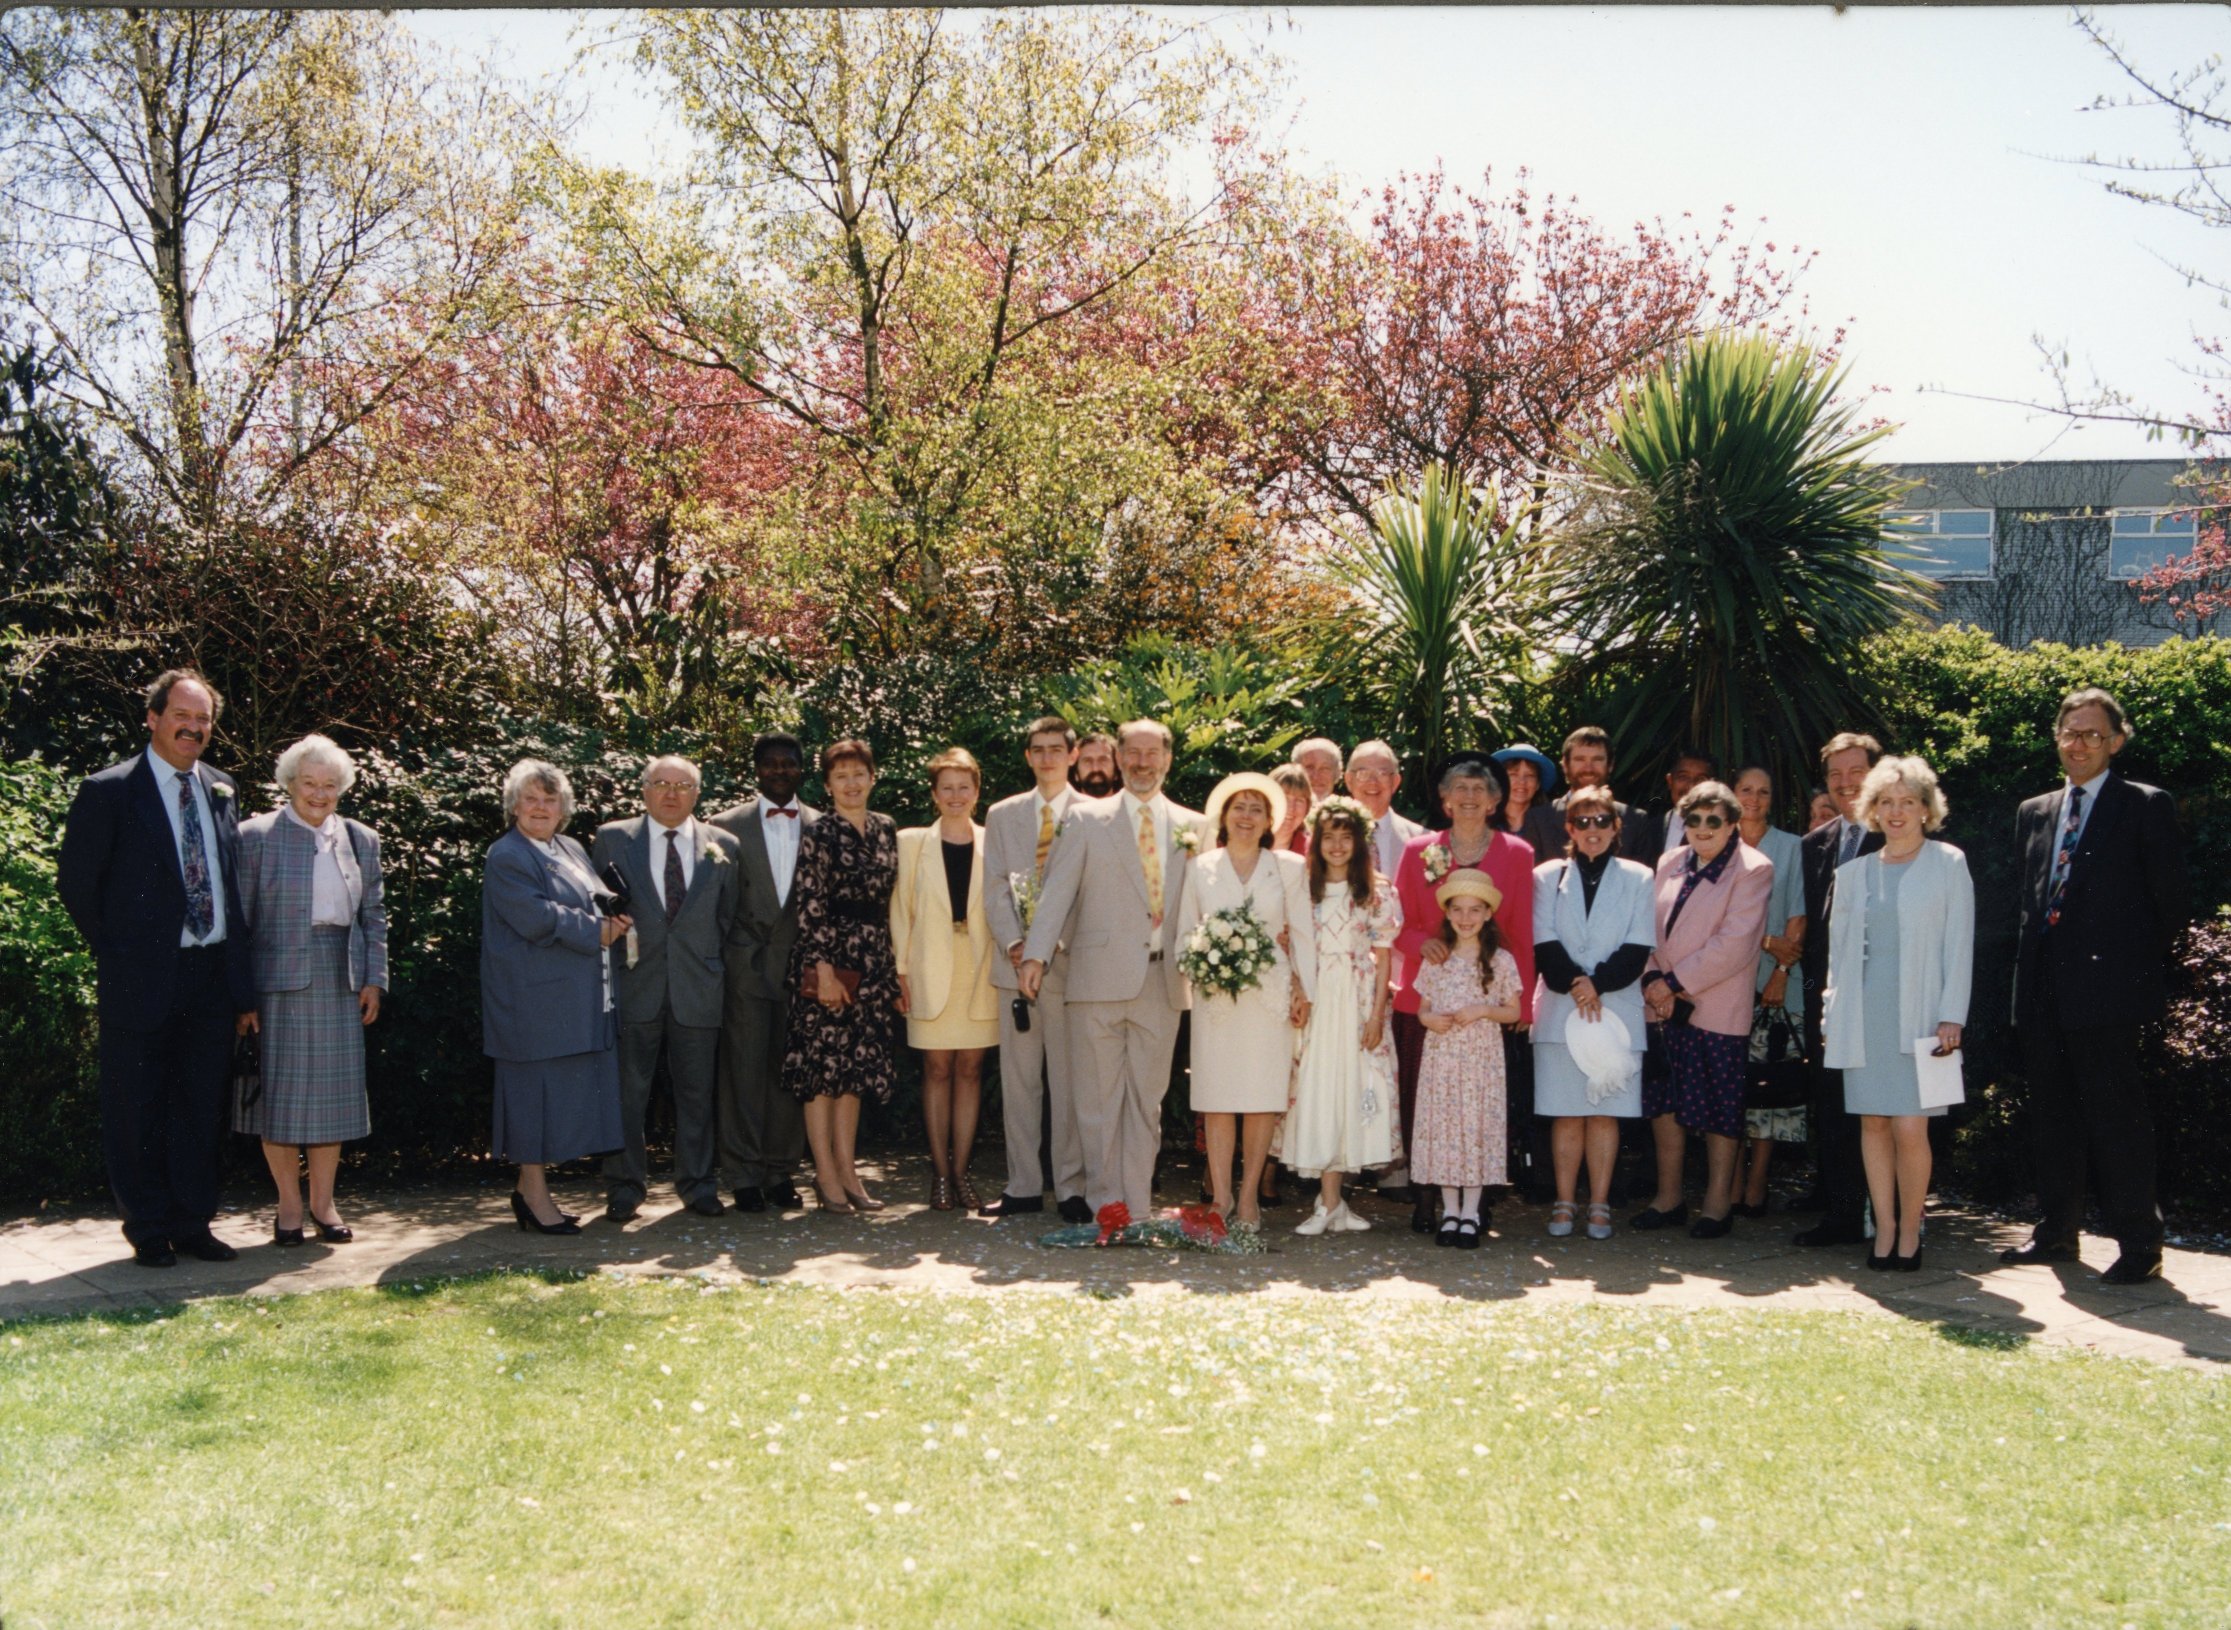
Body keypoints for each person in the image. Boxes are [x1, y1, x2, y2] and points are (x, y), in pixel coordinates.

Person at [58, 669, 256, 1267]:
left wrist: (240, 986)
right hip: (139, 979)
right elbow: (77, 886)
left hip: (211, 978)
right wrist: (124, 951)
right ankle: (146, 1227)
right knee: (135, 1105)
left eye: (204, 720)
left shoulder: (222, 788)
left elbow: (230, 889)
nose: (194, 728)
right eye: (182, 716)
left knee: (200, 1106)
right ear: (153, 717)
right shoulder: (110, 791)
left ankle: (192, 1222)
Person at [2000, 687, 2188, 1285]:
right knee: (2052, 1113)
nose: (2078, 744)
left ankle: (2139, 1242)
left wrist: (2128, 976)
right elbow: (2026, 904)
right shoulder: (2035, 811)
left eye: (2093, 734)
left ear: (2117, 741)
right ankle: (2057, 1231)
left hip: (2108, 993)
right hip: (2043, 991)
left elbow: (2169, 906)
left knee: (2117, 1117)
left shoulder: (2145, 806)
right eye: (2070, 733)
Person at [1019, 719, 1203, 1220]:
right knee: (1096, 1105)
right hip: (1095, 980)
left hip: (1162, 983)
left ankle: (1137, 1207)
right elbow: (1057, 890)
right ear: (1118, 758)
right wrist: (1036, 954)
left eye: (1153, 754)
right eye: (1133, 754)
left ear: (1167, 759)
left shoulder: (1197, 825)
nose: (1143, 763)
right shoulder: (1085, 819)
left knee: (1146, 1103)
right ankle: (1105, 1205)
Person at [233, 734, 388, 1247]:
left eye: (330, 785)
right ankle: (289, 1206)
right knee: (278, 1102)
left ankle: (324, 1204)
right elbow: (240, 923)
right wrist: (243, 998)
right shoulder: (254, 836)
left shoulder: (361, 839)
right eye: (308, 784)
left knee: (333, 1103)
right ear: (289, 784)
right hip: (276, 984)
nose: (319, 794)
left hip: (341, 978)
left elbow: (373, 916)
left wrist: (373, 979)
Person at [1823, 756, 1974, 1272]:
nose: (1896, 812)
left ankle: (1911, 1230)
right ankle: (1882, 1229)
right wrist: (1831, 1016)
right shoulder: (1852, 874)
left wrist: (1952, 1015)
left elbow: (1960, 945)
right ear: (1871, 809)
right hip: (1863, 1018)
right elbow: (1837, 957)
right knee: (1873, 1124)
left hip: (1924, 1020)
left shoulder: (1948, 863)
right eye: (1886, 802)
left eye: (1907, 802)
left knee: (1912, 1127)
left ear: (1926, 809)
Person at [481, 759, 629, 1235]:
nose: (540, 807)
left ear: (563, 808)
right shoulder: (505, 855)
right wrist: (597, 931)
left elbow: (593, 897)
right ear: (513, 806)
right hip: (530, 1004)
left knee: (559, 1099)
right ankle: (535, 1198)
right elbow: (536, 917)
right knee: (531, 1100)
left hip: (573, 999)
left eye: (550, 799)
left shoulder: (567, 847)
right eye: (531, 799)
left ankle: (530, 1193)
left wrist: (615, 917)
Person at [1389, 755, 1536, 1230]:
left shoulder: (1516, 852)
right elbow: (1401, 920)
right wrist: (1420, 942)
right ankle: (1427, 1195)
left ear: (1496, 800)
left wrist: (1524, 1002)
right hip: (1430, 999)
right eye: (1460, 789)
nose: (1470, 797)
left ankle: (1478, 1198)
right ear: (1444, 800)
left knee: (1483, 1105)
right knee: (1425, 1100)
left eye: (1480, 789)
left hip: (1490, 995)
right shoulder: (1420, 851)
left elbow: (1521, 929)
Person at [592, 755, 740, 1224]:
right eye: (660, 783)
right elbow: (598, 908)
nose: (671, 793)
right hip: (636, 982)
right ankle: (624, 1187)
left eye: (682, 785)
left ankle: (698, 1185)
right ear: (644, 790)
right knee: (627, 1092)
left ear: (697, 793)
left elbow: (728, 916)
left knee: (697, 1093)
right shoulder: (612, 839)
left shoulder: (725, 845)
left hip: (699, 985)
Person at [1634, 780, 1774, 1239]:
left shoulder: (1753, 868)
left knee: (1718, 1108)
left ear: (1733, 823)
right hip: (1660, 1006)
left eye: (1714, 820)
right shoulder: (1670, 861)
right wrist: (1653, 978)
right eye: (1694, 819)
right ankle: (1668, 1198)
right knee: (1665, 1104)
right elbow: (1648, 928)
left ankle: (1717, 1204)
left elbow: (1735, 943)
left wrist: (1673, 983)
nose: (1703, 828)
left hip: (1715, 1008)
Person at [1175, 772, 1316, 1226]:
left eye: (1257, 809)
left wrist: (1304, 990)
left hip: (1269, 998)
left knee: (1260, 1098)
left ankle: (1250, 1196)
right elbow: (1183, 933)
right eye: (1240, 807)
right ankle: (1220, 1198)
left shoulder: (1289, 868)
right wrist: (1198, 966)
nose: (1247, 817)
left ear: (1270, 819)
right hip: (1216, 999)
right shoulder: (1200, 867)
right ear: (1225, 815)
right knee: (1217, 1098)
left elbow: (1304, 935)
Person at [1529, 786, 1656, 1241]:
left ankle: (1599, 1204)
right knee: (1566, 1112)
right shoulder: (1546, 876)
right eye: (1582, 821)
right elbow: (1543, 940)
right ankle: (1565, 1203)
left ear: (1616, 826)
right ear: (1569, 829)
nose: (1592, 829)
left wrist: (1597, 983)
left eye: (1602, 820)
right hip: (1561, 1008)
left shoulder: (1640, 877)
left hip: (1616, 1007)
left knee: (1605, 1113)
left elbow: (1639, 944)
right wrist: (1576, 985)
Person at [781, 739, 902, 1213]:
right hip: (828, 960)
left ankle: (848, 1170)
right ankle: (825, 1174)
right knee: (822, 1072)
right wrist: (824, 973)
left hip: (871, 961)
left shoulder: (887, 829)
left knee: (854, 1072)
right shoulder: (819, 832)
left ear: (873, 777)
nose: (851, 784)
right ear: (827, 784)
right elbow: (809, 905)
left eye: (859, 774)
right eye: (841, 776)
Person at [980, 716, 1087, 1221]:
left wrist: (1050, 946)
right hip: (1015, 967)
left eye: (1055, 749)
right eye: (1037, 750)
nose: (1046, 758)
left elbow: (1091, 892)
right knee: (1019, 1082)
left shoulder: (1096, 815)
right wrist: (1018, 945)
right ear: (1028, 757)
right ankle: (1022, 1184)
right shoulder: (1003, 815)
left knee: (1070, 1083)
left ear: (1073, 755)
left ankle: (1071, 1188)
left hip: (1071, 966)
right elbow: (995, 886)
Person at [708, 733, 815, 1213]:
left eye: (788, 764)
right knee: (742, 1073)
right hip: (747, 967)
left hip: (800, 967)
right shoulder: (722, 828)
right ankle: (743, 1175)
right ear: (756, 770)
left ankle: (780, 1171)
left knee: (789, 1074)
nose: (779, 771)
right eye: (769, 764)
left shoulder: (822, 824)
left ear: (800, 769)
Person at [1285, 798, 1401, 1235]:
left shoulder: (1377, 890)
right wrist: (1298, 991)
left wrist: (1375, 1015)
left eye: (1345, 837)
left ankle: (1334, 1202)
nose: (1336, 846)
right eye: (1328, 837)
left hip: (1355, 998)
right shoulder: (1303, 888)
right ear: (1316, 843)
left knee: (1353, 1091)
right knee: (1320, 1090)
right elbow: (1292, 947)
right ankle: (1329, 1202)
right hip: (1318, 999)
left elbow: (1384, 957)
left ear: (1359, 843)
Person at [894, 747, 1001, 1211]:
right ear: (934, 794)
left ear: (976, 792)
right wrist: (899, 971)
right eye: (947, 788)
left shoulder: (996, 841)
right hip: (927, 968)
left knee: (971, 1070)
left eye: (964, 787)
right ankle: (939, 1174)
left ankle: (962, 1175)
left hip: (981, 972)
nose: (955, 795)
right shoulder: (910, 842)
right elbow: (900, 912)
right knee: (936, 1070)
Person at [1791, 732, 1885, 1249]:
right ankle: (1842, 1214)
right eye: (1835, 776)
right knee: (1832, 1106)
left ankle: (1884, 1215)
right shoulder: (1816, 843)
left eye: (1856, 773)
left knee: (1876, 1110)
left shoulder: (1895, 836)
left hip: (1879, 997)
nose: (1846, 785)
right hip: (1826, 1000)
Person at [1410, 869, 1523, 1248]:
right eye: (1457, 910)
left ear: (1488, 914)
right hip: (1443, 1058)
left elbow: (1514, 1011)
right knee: (1445, 1129)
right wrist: (1429, 1019)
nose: (1465, 918)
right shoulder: (1438, 958)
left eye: (1475, 910)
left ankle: (1472, 1212)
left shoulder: (1501, 960)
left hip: (1480, 1060)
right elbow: (1422, 1008)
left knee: (1474, 1128)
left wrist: (1482, 1010)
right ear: (1447, 914)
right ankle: (1450, 1211)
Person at [1731, 765, 1808, 1218]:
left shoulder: (1792, 847)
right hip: (1727, 985)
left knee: (1770, 1089)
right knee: (1733, 1087)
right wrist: (1761, 941)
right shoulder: (1719, 843)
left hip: (1779, 983)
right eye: (1746, 790)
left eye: (1763, 791)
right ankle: (1732, 1180)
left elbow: (1797, 917)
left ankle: (1757, 1182)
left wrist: (1780, 970)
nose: (1754, 799)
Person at [1540, 726, 1661, 866]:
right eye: (1580, 759)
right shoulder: (1539, 820)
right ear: (1565, 765)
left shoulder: (1636, 821)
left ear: (1610, 765)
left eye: (1597, 759)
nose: (1588, 768)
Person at [1343, 740, 1422, 884]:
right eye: (1363, 773)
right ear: (1348, 781)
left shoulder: (1421, 840)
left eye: (1382, 773)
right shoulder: (1324, 838)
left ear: (1396, 782)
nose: (1373, 781)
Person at [1493, 743, 1561, 863]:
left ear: (1538, 784)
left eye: (1529, 776)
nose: (1521, 782)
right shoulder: (1486, 823)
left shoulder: (1551, 826)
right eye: (1513, 774)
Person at [1271, 762, 1314, 855]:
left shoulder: (1314, 852)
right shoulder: (1246, 842)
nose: (1291, 808)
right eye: (1285, 798)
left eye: (1299, 800)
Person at [1291, 736, 1343, 804]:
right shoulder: (1277, 812)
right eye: (1309, 767)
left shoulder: (1349, 812)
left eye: (1325, 768)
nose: (1316, 776)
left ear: (1337, 773)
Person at [1073, 731, 1122, 799]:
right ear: (1076, 773)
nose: (1095, 768)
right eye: (1087, 761)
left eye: (1103, 760)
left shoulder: (1136, 809)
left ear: (1116, 770)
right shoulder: (1059, 809)